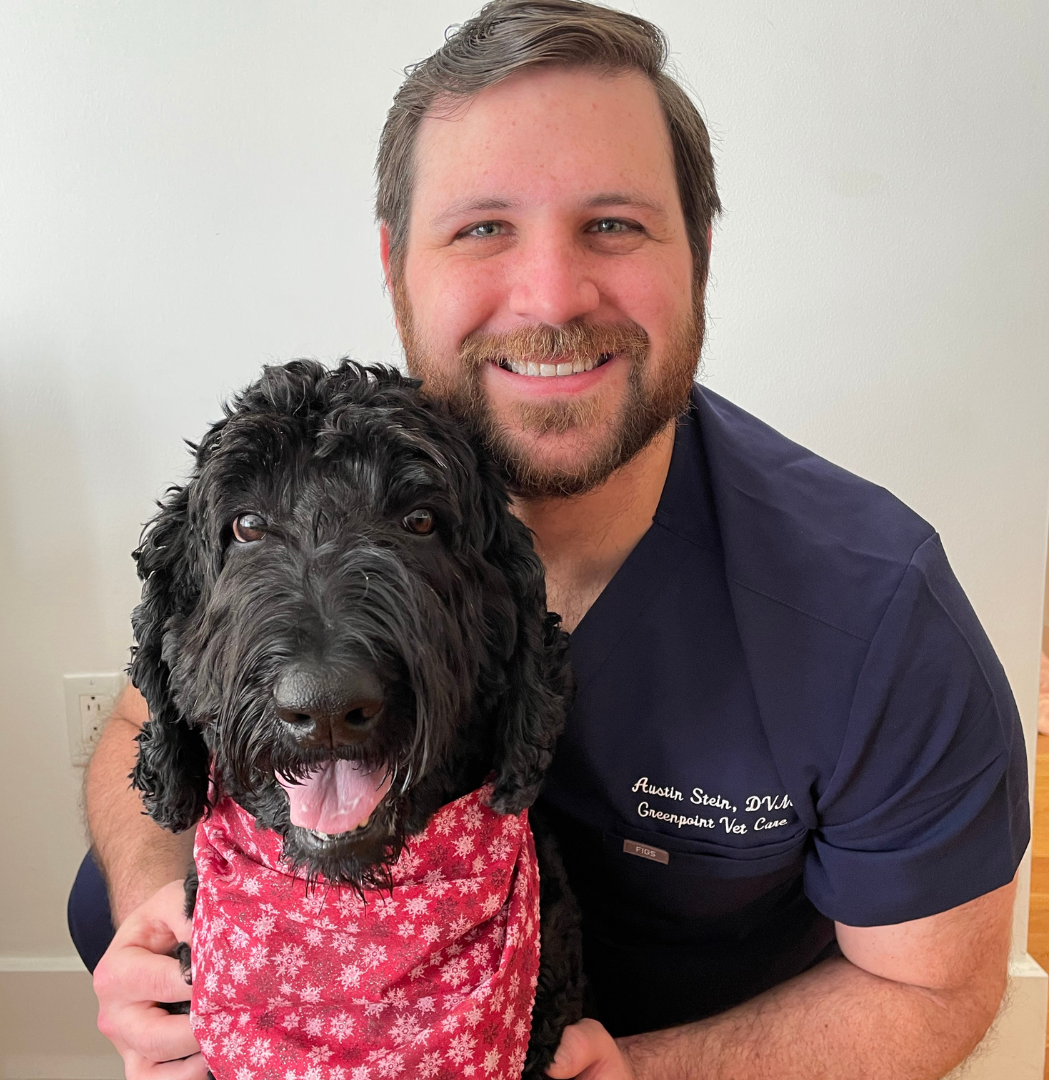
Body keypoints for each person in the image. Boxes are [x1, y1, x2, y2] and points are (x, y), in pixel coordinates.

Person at [74, 2, 1029, 1078]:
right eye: (483, 228)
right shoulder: (288, 506)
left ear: (700, 254)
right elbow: (141, 722)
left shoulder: (875, 616)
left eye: (612, 224)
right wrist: (154, 910)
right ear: (396, 265)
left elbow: (932, 987)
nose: (551, 298)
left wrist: (646, 1073)